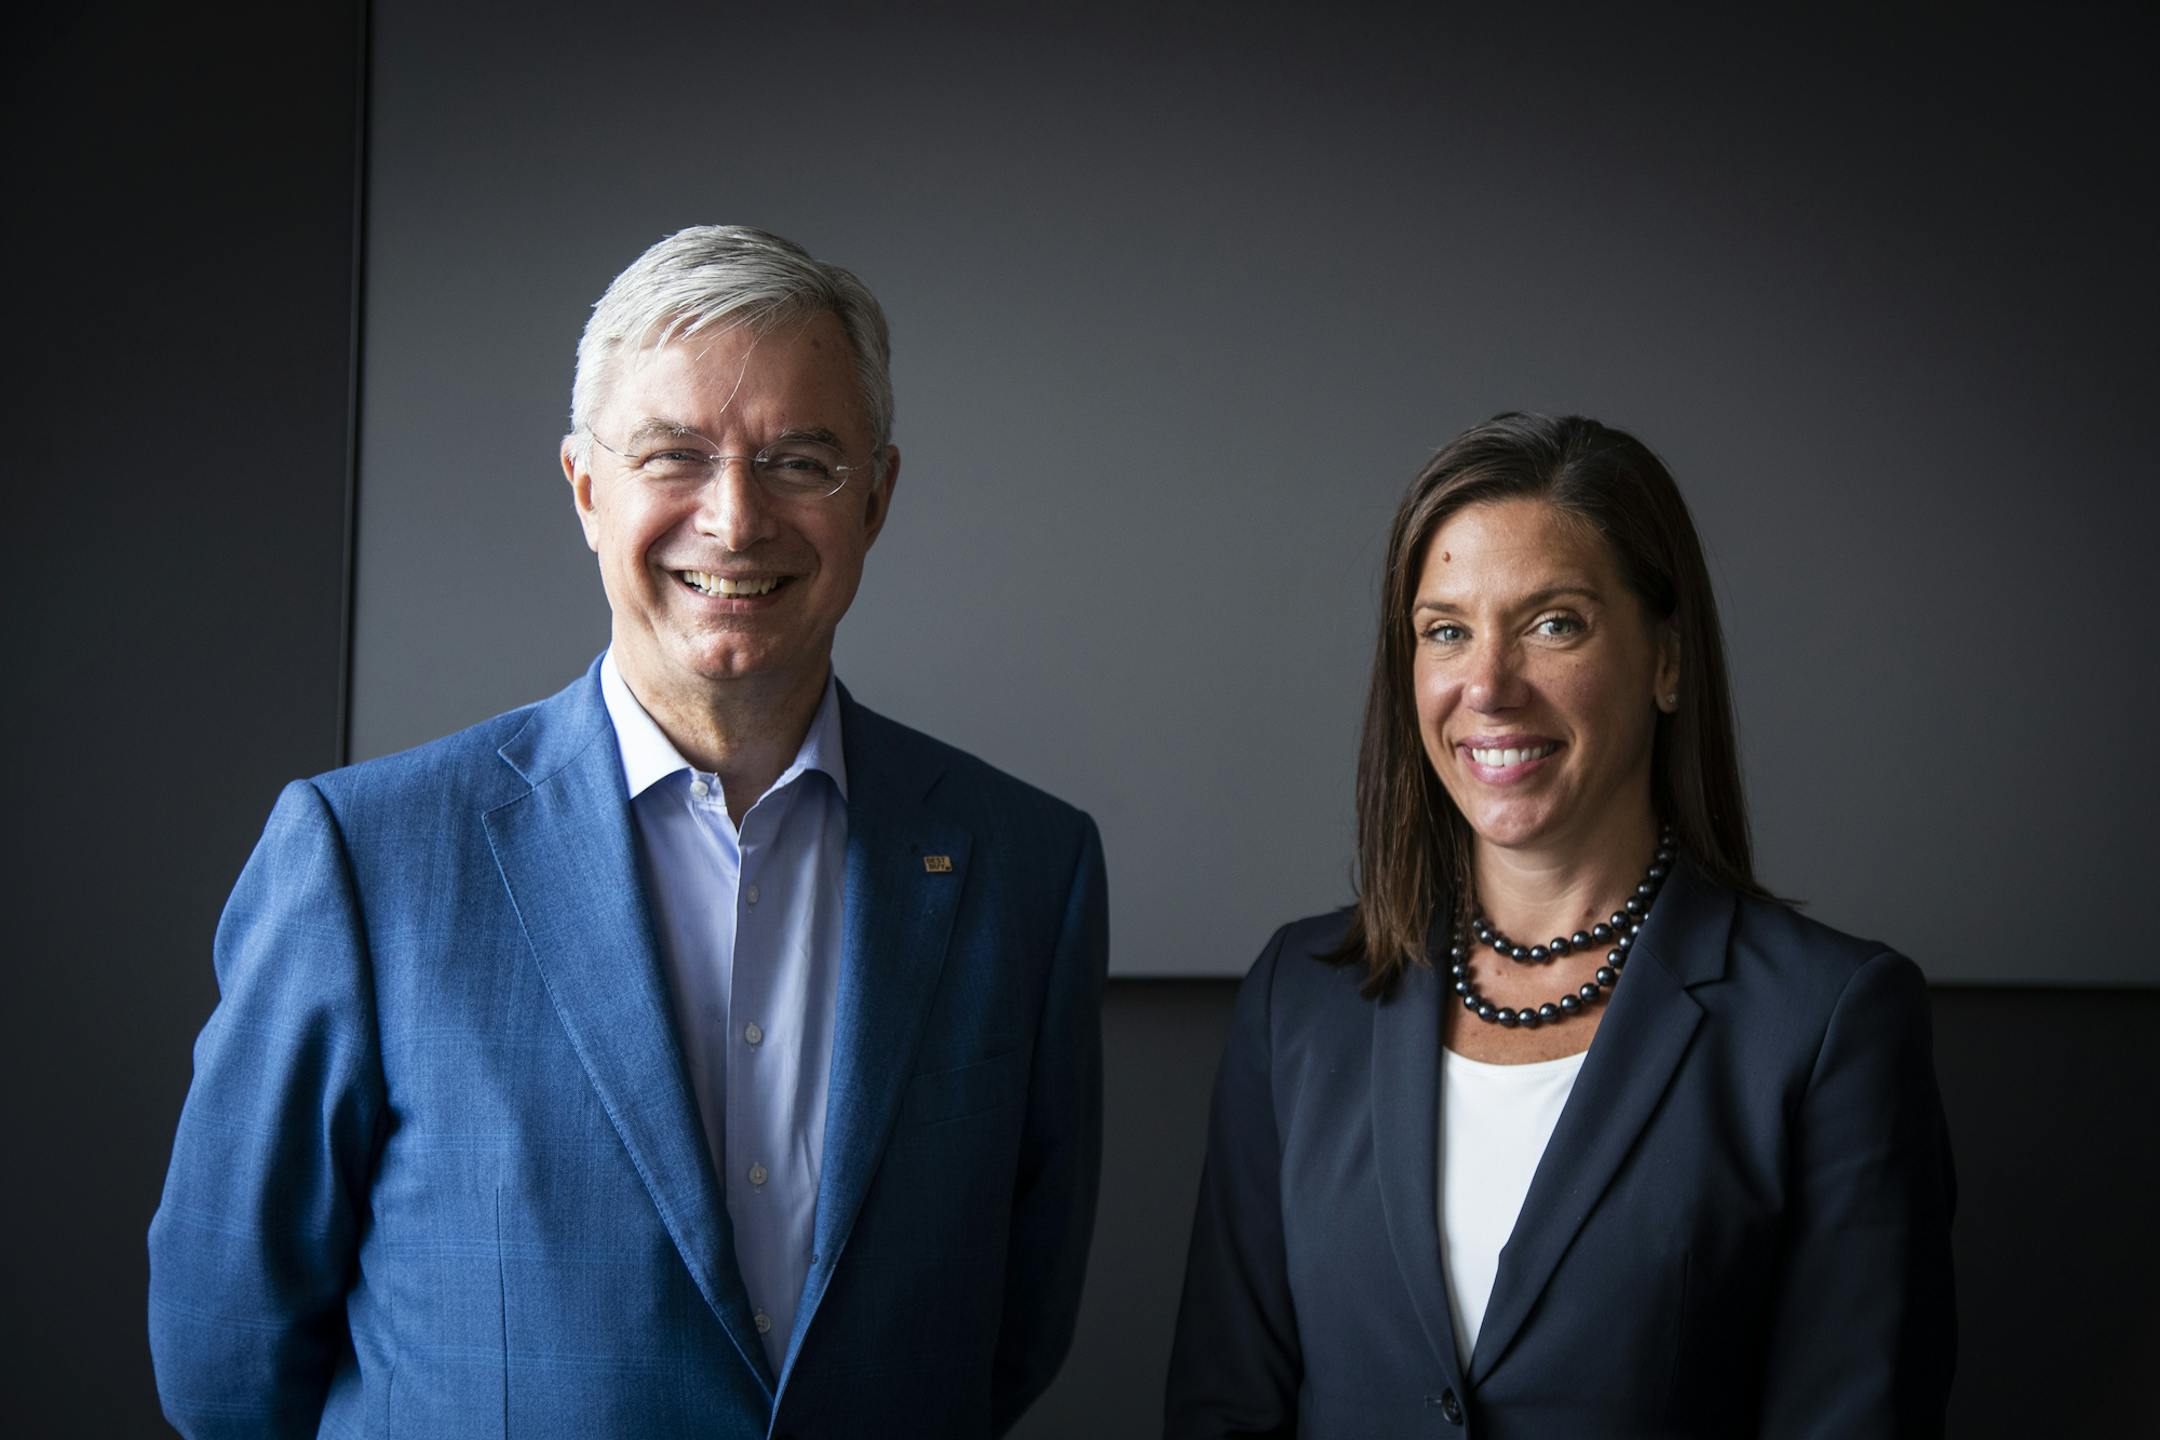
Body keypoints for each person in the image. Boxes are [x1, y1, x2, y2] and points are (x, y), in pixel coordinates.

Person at [149, 226, 1108, 1439]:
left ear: (878, 494)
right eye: (675, 455)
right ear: (586, 486)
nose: (736, 517)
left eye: (802, 461)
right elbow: (224, 1357)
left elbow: (1012, 1332)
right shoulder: (364, 859)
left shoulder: (1025, 867)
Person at [1164, 413, 1955, 1438]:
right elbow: (1223, 1403)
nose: (1487, 686)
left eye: (1554, 624)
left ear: (1667, 660)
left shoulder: (1827, 1023)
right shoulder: (1301, 995)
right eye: (1447, 630)